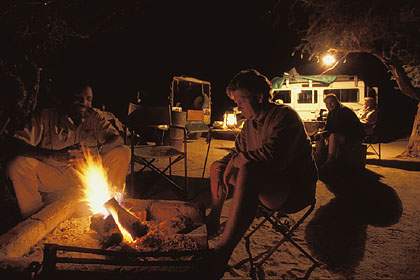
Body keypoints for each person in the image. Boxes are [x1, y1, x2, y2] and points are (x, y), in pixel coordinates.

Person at [204, 69, 317, 279]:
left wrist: (236, 163)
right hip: (267, 188)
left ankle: (224, 250)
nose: (238, 106)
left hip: (294, 191)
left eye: (242, 100)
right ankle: (214, 217)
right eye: (236, 101)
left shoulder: (284, 116)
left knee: (249, 169)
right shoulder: (249, 125)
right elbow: (237, 153)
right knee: (217, 166)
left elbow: (274, 157)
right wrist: (224, 166)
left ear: (259, 95)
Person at [6, 82, 131, 219]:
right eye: (78, 98)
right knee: (16, 165)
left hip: (88, 174)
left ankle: (110, 208)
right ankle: (36, 218)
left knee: (123, 152)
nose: (84, 103)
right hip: (55, 173)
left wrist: (98, 151)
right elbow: (16, 144)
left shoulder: (95, 117)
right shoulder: (45, 117)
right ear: (65, 98)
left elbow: (117, 139)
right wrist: (52, 156)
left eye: (88, 99)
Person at [314, 93, 365, 169]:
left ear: (337, 101)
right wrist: (321, 132)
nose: (329, 105)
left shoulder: (343, 111)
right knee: (319, 136)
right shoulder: (331, 112)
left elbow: (339, 128)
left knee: (333, 136)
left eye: (331, 102)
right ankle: (319, 158)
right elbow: (328, 126)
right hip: (342, 134)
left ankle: (330, 160)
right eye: (327, 103)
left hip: (353, 136)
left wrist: (324, 133)